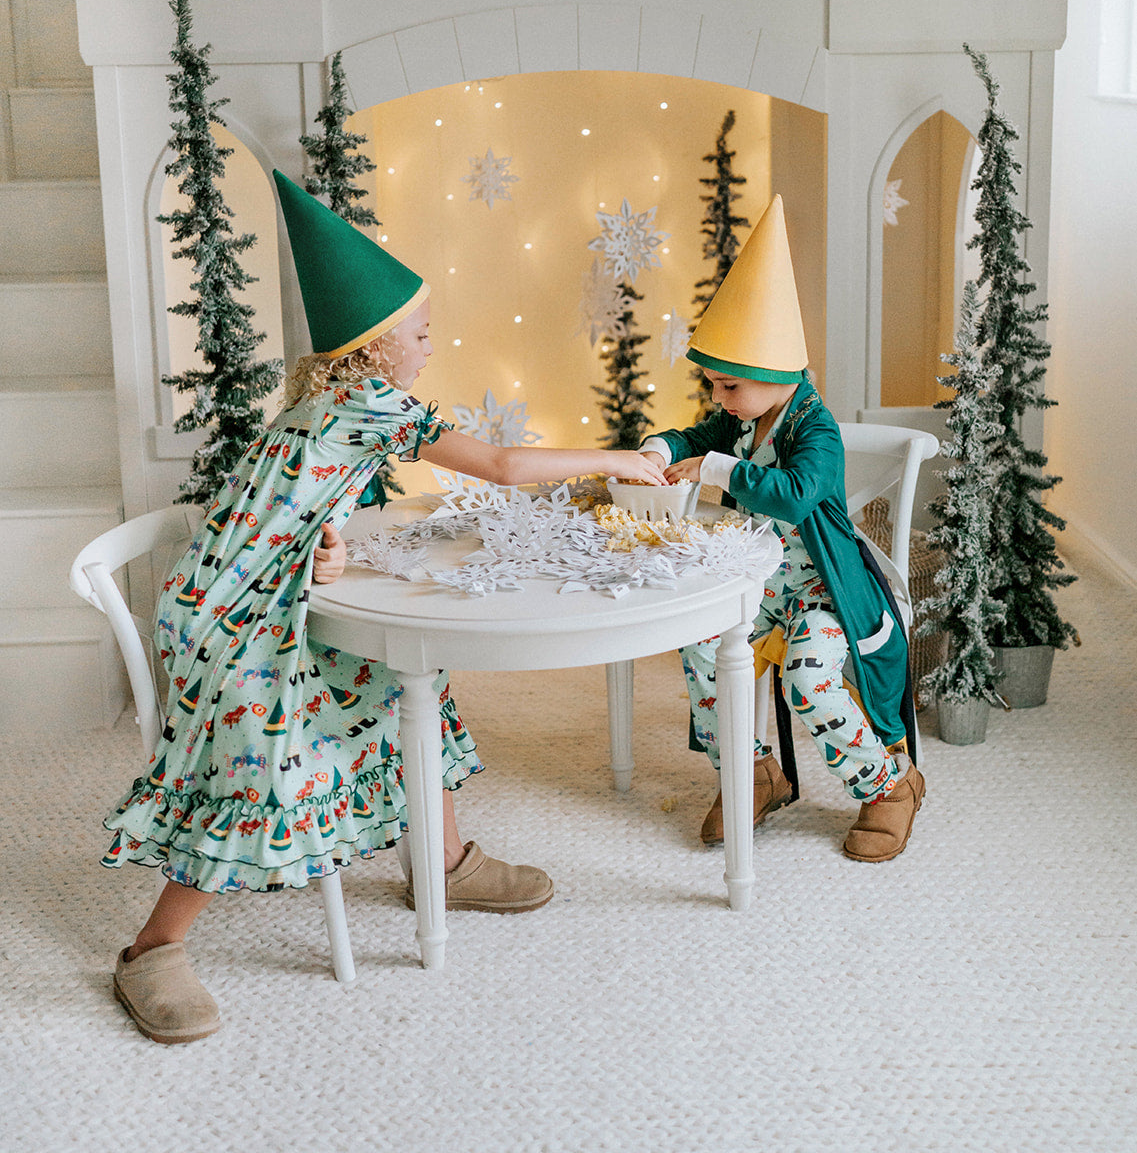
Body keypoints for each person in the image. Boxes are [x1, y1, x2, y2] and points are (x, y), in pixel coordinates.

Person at [106, 170, 668, 1044]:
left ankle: (440, 862)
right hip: (231, 613)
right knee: (258, 750)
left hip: (251, 584)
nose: (429, 348)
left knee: (411, 677)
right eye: (421, 333)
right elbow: (505, 466)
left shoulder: (328, 399)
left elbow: (298, 503)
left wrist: (326, 545)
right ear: (374, 347)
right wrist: (616, 460)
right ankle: (151, 947)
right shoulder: (372, 399)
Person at [638, 194, 924, 863]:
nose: (717, 398)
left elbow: (795, 497)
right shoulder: (742, 418)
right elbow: (693, 434)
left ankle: (888, 787)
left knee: (807, 676)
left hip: (823, 591)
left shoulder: (814, 431)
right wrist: (661, 448)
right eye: (711, 383)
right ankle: (753, 770)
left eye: (728, 385)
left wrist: (712, 470)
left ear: (774, 378)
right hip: (757, 582)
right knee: (700, 645)